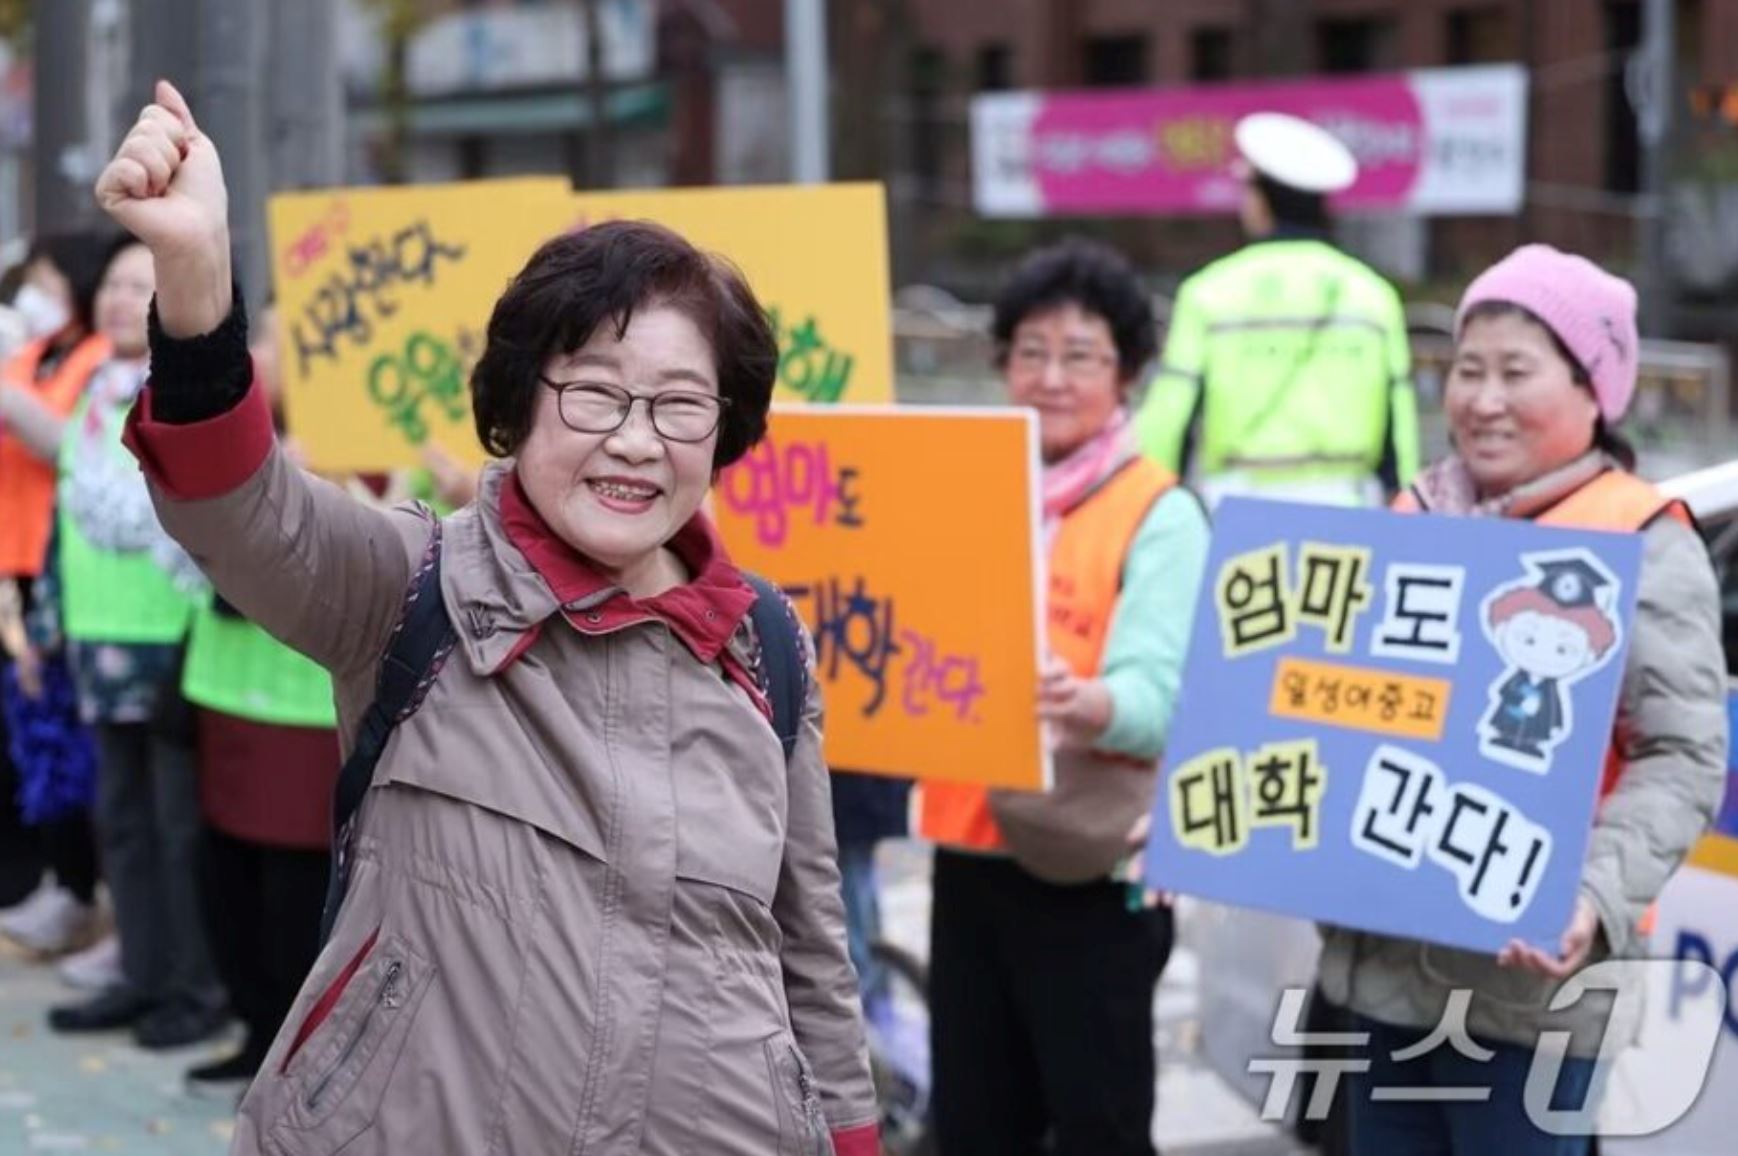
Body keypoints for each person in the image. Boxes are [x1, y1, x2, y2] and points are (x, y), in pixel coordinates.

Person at [99, 82, 877, 1155]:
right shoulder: (409, 586)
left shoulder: (769, 649)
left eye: (679, 404)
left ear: (725, 427)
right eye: (594, 392)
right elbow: (237, 506)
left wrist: (848, 1134)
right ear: (516, 406)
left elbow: (813, 959)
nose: (637, 441)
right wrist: (195, 279)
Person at [1318, 244, 1728, 1155]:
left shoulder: (1642, 537)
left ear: (1595, 391)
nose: (1483, 399)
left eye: (1516, 371)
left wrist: (1591, 896)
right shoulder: (1412, 517)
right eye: (1468, 370)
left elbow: (1684, 753)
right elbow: (1339, 712)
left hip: (1536, 988)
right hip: (1386, 968)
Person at [917, 238, 1210, 1156]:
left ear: (1125, 373)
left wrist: (1080, 702)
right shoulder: (962, 489)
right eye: (1031, 352)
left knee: (1100, 1123)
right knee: (973, 1121)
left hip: (1092, 864)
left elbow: (1160, 700)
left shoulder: (1158, 511)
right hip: (971, 848)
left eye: (1081, 355)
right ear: (1003, 364)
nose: (1051, 376)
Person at [38, 233, 227, 1050]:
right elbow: (74, 511)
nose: (119, 300)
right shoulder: (96, 390)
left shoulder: (174, 394)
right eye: (112, 285)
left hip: (169, 639)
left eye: (137, 286)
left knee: (175, 823)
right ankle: (140, 976)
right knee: (123, 821)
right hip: (99, 635)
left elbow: (162, 520)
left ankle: (194, 989)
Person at [179, 304, 342, 1094]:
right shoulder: (234, 434)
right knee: (227, 879)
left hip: (309, 706)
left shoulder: (390, 448)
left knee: (296, 901)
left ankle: (293, 1060)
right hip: (225, 689)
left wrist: (329, 486)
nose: (273, 354)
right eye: (267, 338)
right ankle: (251, 1034)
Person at [1135, 112, 1419, 508]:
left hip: (1238, 504)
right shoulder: (1372, 295)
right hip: (1352, 503)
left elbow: (1170, 417)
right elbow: (1398, 420)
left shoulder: (1208, 292)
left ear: (1260, 198)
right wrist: (1402, 500)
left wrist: (1152, 504)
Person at [0, 232, 114, 955]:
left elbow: (70, 444)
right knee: (28, 730)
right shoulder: (33, 350)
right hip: (14, 555)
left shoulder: (97, 359)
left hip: (61, 560)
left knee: (66, 733)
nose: (36, 291)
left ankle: (81, 889)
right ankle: (54, 877)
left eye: (46, 277)